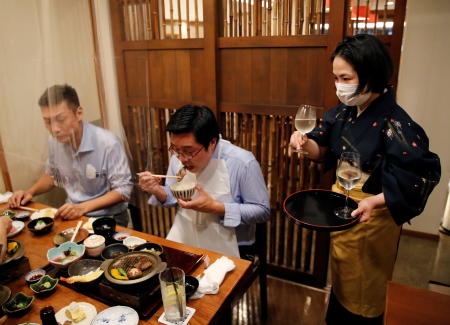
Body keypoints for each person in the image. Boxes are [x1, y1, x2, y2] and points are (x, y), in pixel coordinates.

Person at [290, 34, 440, 324]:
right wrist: (303, 143)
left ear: (370, 75)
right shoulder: (345, 113)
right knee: (344, 275)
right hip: (342, 203)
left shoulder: (397, 124)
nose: (339, 85)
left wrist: (375, 201)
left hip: (372, 213)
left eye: (344, 77)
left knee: (365, 286)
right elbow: (320, 146)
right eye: (336, 77)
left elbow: (419, 176)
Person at [139, 104, 270, 258]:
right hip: (186, 236)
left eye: (189, 151)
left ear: (212, 142)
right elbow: (172, 196)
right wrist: (157, 190)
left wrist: (216, 208)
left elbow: (262, 211)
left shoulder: (242, 162)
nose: (181, 158)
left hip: (234, 245)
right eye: (175, 149)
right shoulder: (179, 156)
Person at [9, 84, 132, 227]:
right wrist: (30, 192)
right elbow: (53, 176)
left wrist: (82, 208)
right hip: (73, 214)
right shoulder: (54, 141)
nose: (55, 129)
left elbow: (123, 190)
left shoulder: (108, 142)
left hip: (108, 217)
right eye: (48, 121)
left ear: (79, 113)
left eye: (60, 119)